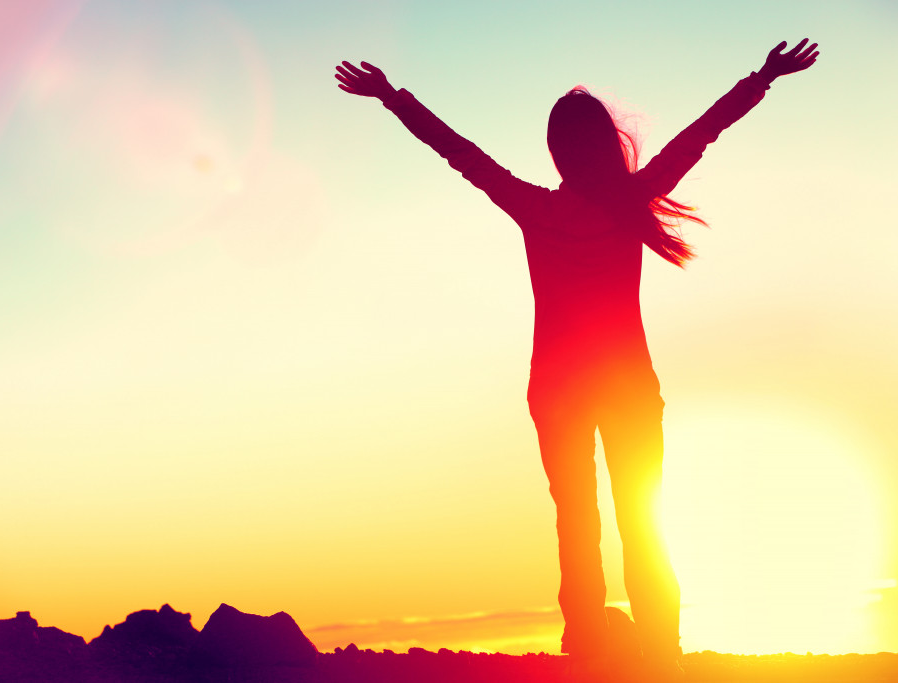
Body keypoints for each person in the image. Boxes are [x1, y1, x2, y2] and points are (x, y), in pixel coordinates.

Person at [335, 39, 819, 679]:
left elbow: (460, 154)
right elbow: (701, 135)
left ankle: (589, 646)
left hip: (559, 388)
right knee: (641, 517)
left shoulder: (535, 208)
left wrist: (393, 97)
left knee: (577, 519)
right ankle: (660, 650)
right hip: (625, 387)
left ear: (559, 151)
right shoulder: (631, 199)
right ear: (606, 145)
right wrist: (763, 78)